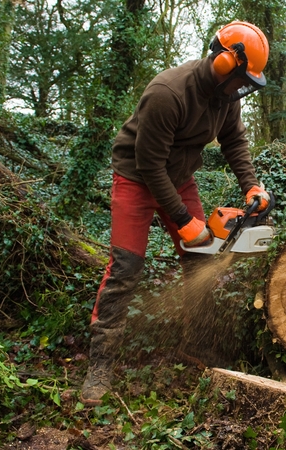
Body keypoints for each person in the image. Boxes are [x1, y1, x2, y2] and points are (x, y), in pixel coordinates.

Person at [80, 21, 272, 406]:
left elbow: (234, 140)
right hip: (138, 177)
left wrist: (251, 185)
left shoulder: (227, 95)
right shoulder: (168, 92)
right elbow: (149, 165)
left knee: (200, 261)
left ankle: (197, 345)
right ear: (222, 63)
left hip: (180, 176)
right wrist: (184, 221)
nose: (241, 88)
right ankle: (100, 364)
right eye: (239, 78)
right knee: (125, 268)